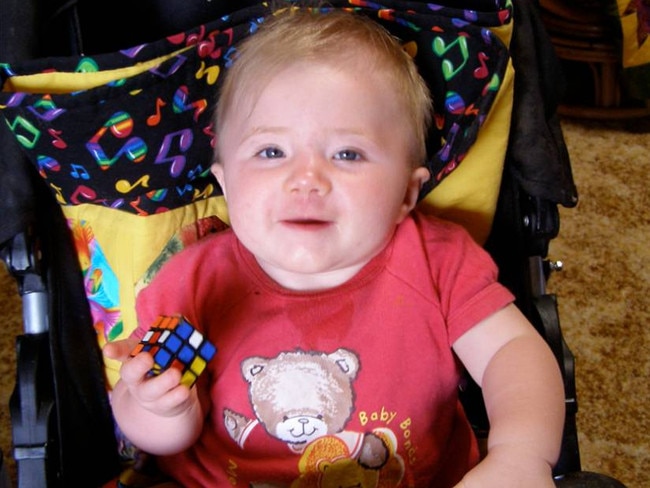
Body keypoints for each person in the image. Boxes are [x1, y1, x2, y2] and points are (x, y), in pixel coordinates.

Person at [103, 8, 565, 487]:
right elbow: (161, 439)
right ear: (226, 184)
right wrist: (159, 406)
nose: (306, 179)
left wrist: (519, 454)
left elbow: (511, 352)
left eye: (347, 154)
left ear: (407, 193)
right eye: (271, 152)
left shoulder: (438, 260)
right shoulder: (193, 280)